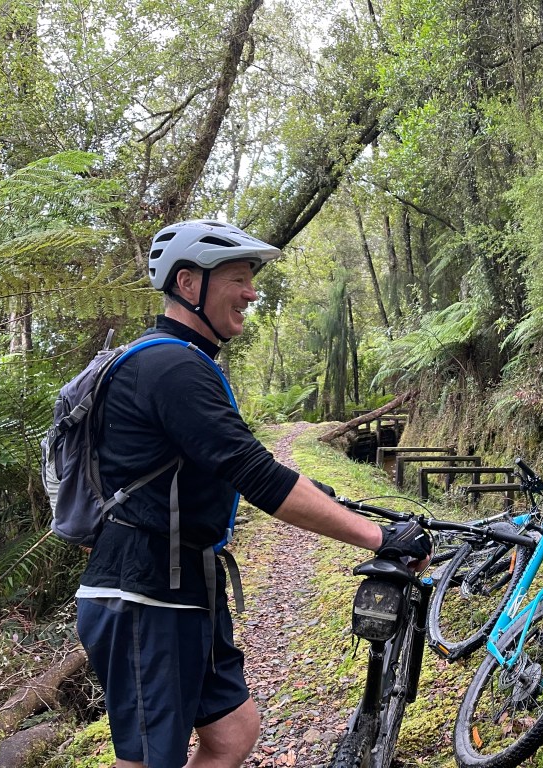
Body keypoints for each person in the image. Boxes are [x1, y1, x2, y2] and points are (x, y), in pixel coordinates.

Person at [75, 219, 433, 768]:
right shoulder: (170, 366)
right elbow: (257, 476)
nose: (251, 293)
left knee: (232, 732)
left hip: (185, 582)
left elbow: (230, 463)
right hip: (145, 590)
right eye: (238, 278)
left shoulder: (179, 360)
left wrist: (319, 494)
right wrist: (379, 538)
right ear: (188, 283)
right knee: (148, 759)